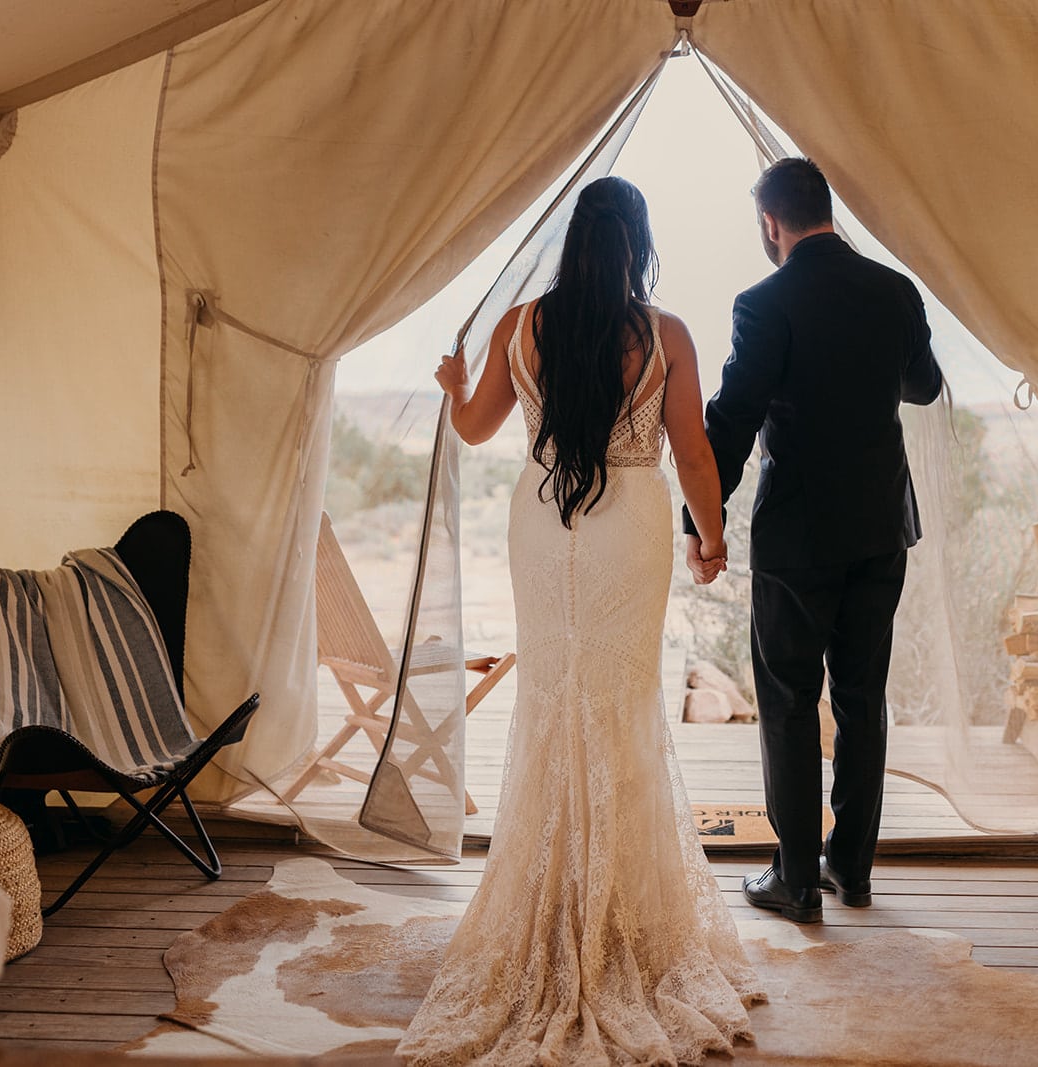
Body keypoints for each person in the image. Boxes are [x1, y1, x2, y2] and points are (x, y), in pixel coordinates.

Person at [396, 176, 763, 1065]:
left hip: (543, 524)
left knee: (554, 698)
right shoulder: (664, 333)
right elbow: (694, 451)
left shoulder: (522, 323)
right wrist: (711, 540)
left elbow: (478, 427)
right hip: (629, 529)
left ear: (574, 241)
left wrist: (452, 383)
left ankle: (553, 902)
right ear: (637, 243)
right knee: (622, 707)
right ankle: (621, 921)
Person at [685, 158, 943, 925]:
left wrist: (705, 526)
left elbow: (730, 419)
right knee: (862, 698)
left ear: (771, 223)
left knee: (790, 702)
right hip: (878, 530)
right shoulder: (894, 290)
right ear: (825, 208)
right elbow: (923, 385)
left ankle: (795, 882)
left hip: (799, 536)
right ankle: (852, 870)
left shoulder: (764, 302)